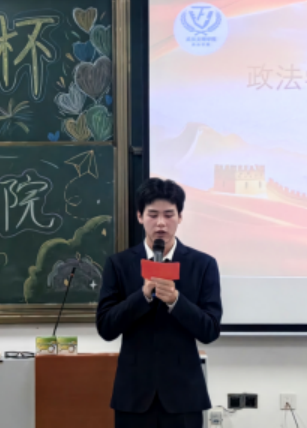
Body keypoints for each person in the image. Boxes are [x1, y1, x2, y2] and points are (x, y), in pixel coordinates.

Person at [96, 178, 223, 428]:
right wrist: (142, 296)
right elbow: (106, 327)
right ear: (140, 216)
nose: (161, 223)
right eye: (153, 215)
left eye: (169, 214)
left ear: (180, 217)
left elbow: (210, 330)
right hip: (133, 397)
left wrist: (176, 301)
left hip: (183, 397)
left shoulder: (203, 264)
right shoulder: (119, 264)